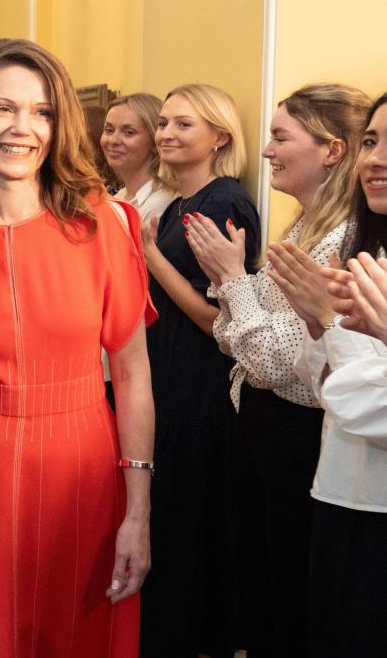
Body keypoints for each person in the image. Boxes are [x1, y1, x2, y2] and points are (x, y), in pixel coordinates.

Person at [0, 38, 154, 657]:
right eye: (3, 108)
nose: (23, 128)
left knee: (74, 634)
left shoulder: (105, 224)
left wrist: (139, 510)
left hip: (82, 466)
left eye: (41, 112)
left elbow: (131, 375)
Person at [184, 84, 367, 656]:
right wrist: (238, 296)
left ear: (332, 151)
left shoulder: (341, 241)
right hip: (264, 430)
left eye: (281, 136)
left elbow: (272, 362)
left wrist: (233, 280)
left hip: (296, 439)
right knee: (262, 593)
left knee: (289, 602)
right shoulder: (302, 226)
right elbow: (230, 339)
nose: (266, 150)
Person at [140, 83, 259, 658]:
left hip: (200, 387)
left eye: (183, 125)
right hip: (169, 380)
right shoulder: (185, 204)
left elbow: (217, 320)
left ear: (220, 137)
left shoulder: (224, 204)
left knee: (188, 518)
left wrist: (146, 253)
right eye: (163, 123)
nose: (166, 134)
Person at [268, 91, 387, 656]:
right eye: (371, 141)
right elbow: (322, 387)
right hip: (339, 491)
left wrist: (325, 322)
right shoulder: (368, 246)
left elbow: (370, 409)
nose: (375, 159)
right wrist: (321, 328)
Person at [100, 92, 177, 222]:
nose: (113, 140)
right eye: (109, 130)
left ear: (155, 142)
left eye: (129, 132)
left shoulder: (159, 204)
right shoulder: (121, 195)